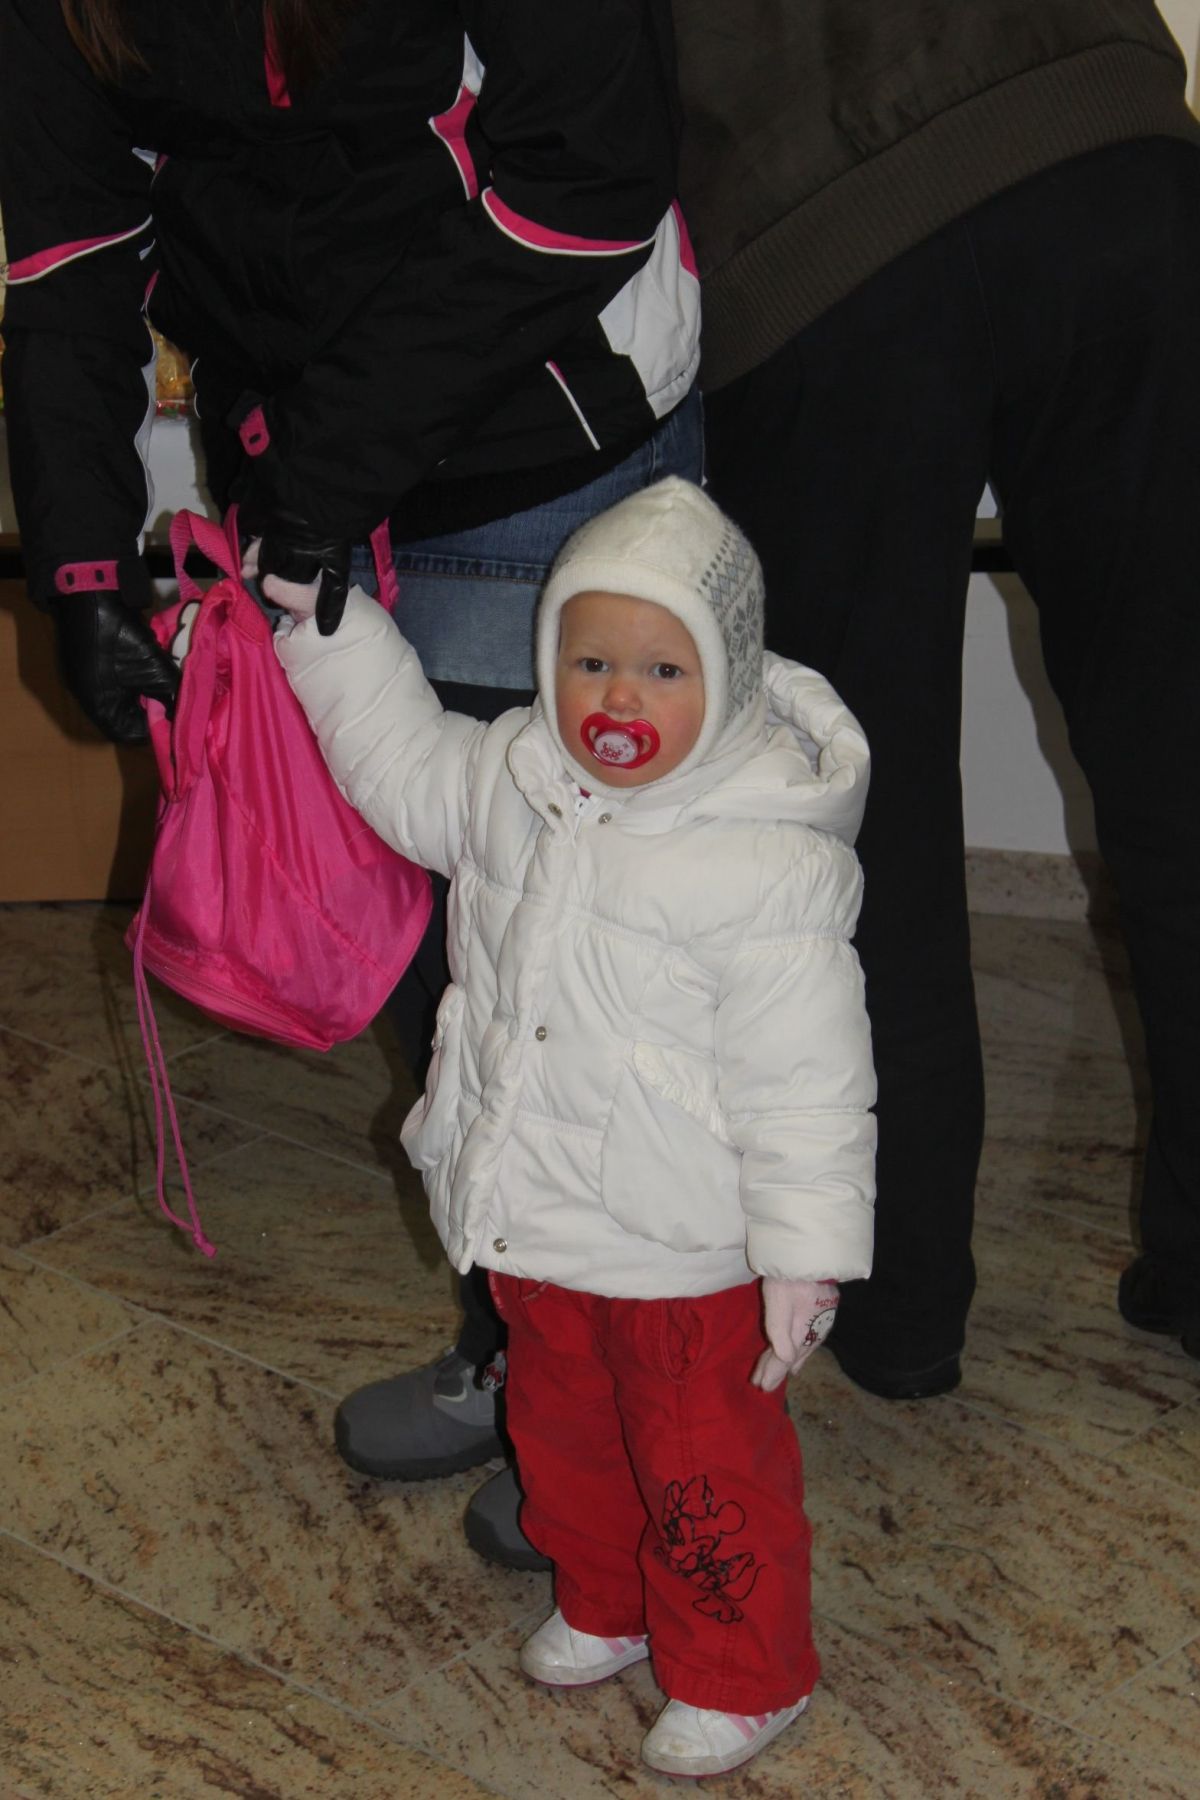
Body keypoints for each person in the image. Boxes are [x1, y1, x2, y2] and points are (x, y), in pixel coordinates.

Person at [0, 0, 701, 1528]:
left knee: (579, 971)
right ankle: (526, 1350)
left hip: (541, 426)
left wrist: (322, 469)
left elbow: (591, 171)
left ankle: (635, 1416)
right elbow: (71, 248)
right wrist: (80, 562)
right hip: (309, 467)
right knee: (436, 970)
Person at [271, 477, 875, 1777]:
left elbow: (810, 1084)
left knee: (701, 1471)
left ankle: (745, 1670)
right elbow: (398, 757)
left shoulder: (767, 859)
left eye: (663, 670)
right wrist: (330, 629)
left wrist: (805, 1254)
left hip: (686, 1255)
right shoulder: (512, 777)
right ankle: (604, 1600)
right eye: (591, 662)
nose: (618, 699)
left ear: (728, 679)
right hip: (537, 1223)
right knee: (564, 1435)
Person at [673, 0, 1200, 1394]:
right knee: (1182, 758)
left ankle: (900, 1306)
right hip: (1114, 149)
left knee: (868, 813)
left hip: (817, 229)